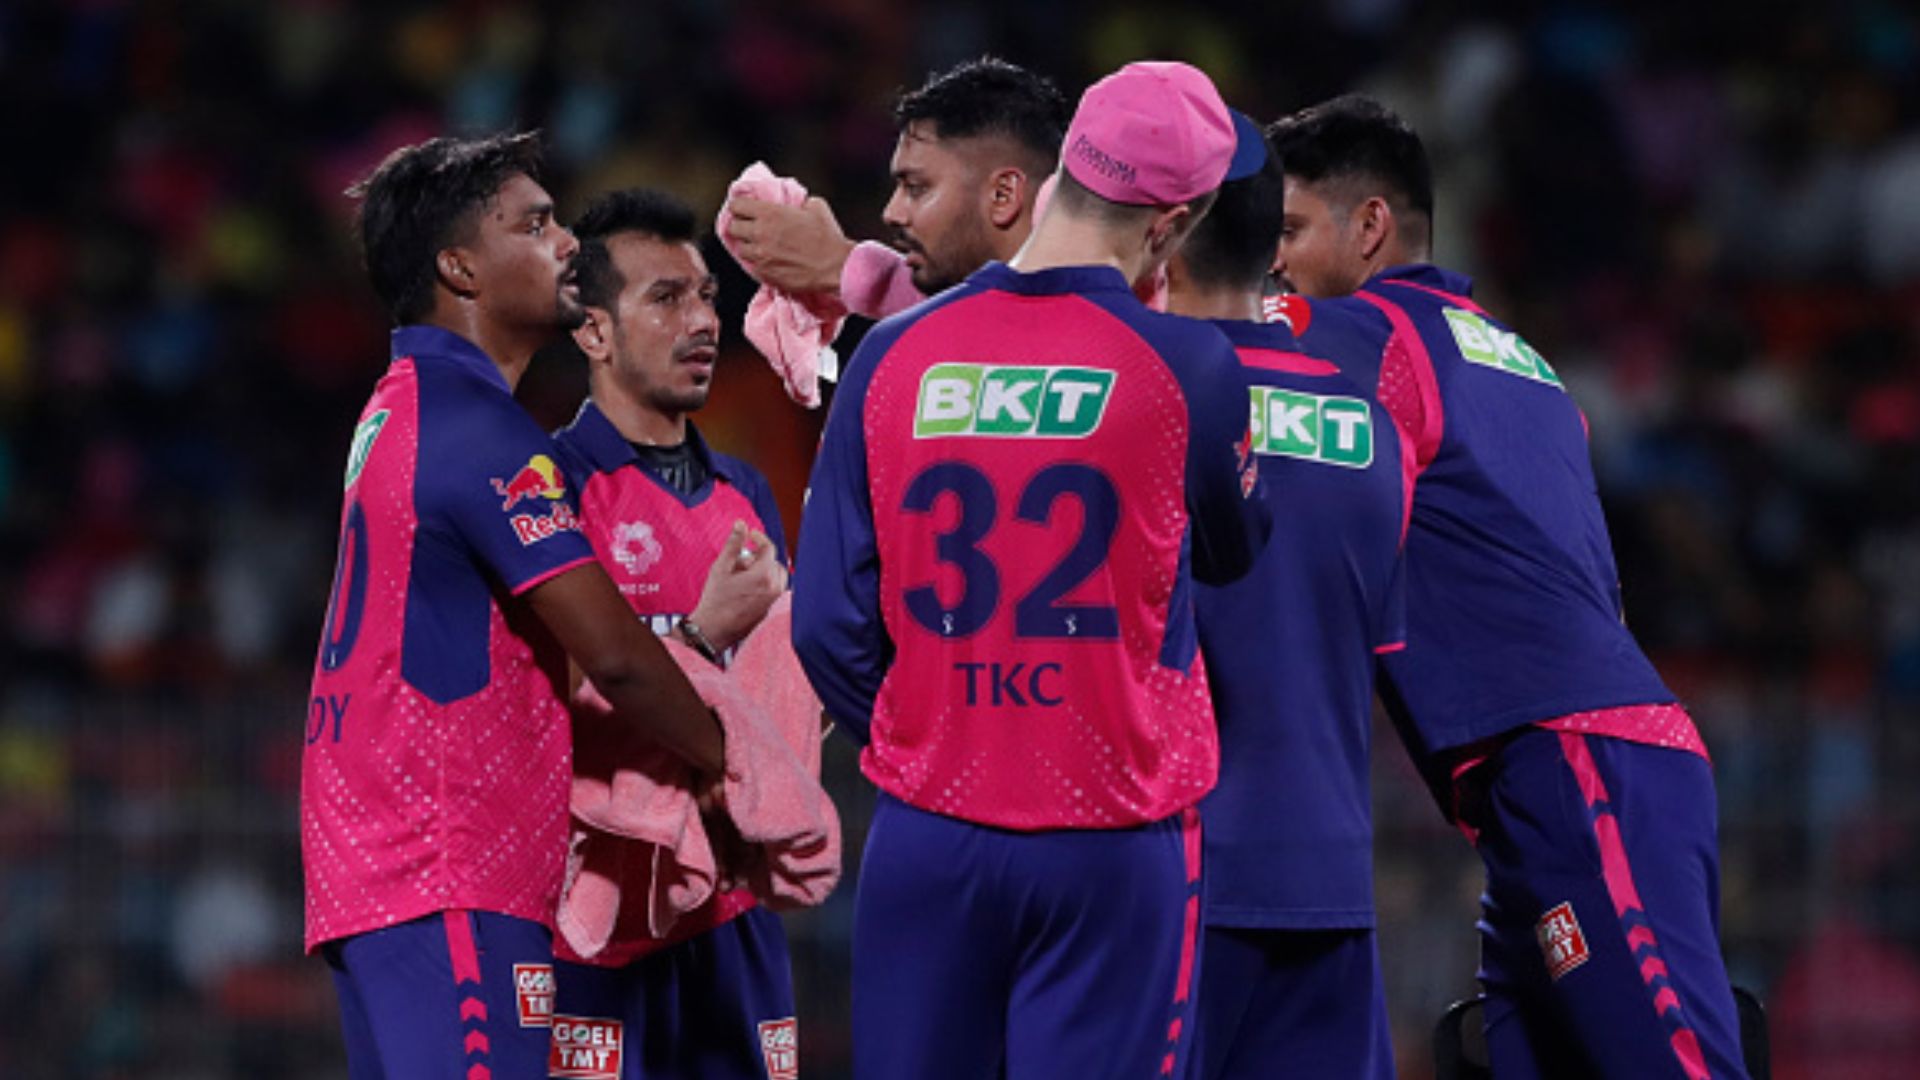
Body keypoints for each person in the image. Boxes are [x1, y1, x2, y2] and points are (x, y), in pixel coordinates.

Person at [791, 60, 1270, 1079]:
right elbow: (1233, 554)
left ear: (1062, 171)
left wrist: (942, 724)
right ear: (1175, 217)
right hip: (1111, 831)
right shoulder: (1189, 369)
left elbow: (825, 620)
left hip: (929, 830)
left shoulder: (890, 356)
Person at [1270, 95, 1750, 1080]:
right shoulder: (1517, 356)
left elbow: (1203, 341)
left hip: (1574, 762)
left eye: (1285, 230)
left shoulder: (1366, 332)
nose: (1268, 260)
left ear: (1369, 227)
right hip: (1557, 772)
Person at [304, 132, 727, 1080]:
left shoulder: (398, 408)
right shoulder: (483, 431)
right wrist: (732, 760)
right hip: (448, 864)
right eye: (534, 225)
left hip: (390, 872)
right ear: (460, 268)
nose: (569, 241)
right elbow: (612, 653)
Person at [1162, 137, 1405, 1079]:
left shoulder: (1148, 392)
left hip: (1183, 874)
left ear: (1163, 232)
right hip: (1333, 872)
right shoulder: (1371, 420)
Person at [545, 187, 796, 1080]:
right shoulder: (547, 490)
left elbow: (789, 703)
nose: (702, 321)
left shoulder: (747, 494)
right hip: (599, 919)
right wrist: (696, 634)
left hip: (733, 912)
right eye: (665, 298)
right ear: (593, 331)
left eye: (707, 297)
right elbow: (559, 700)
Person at [722, 56, 1068, 316]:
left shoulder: (1114, 319)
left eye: (916, 188)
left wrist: (844, 266)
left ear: (1003, 194)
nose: (891, 213)